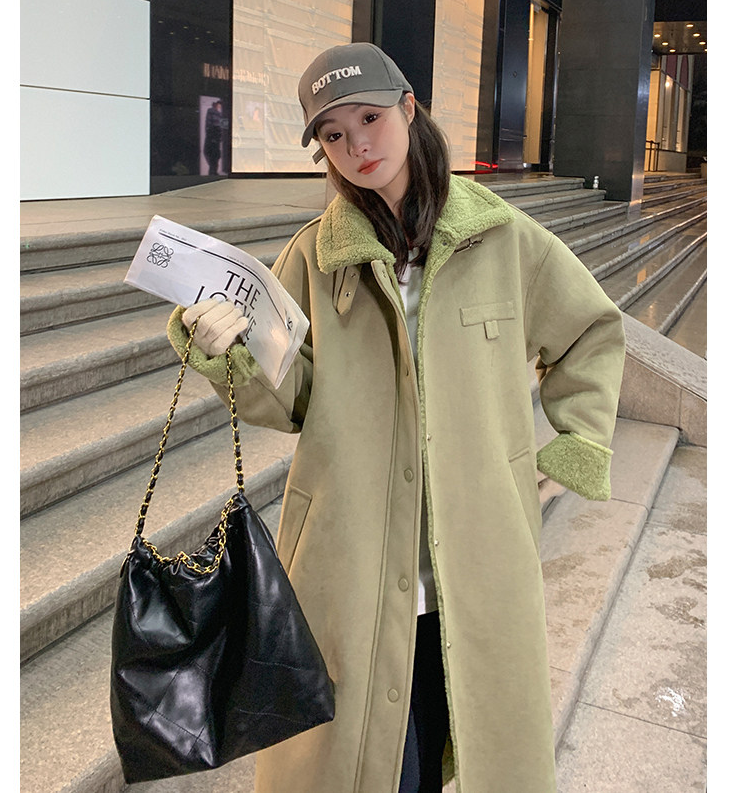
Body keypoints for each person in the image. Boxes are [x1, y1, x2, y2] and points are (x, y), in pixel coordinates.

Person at [167, 42, 626, 793]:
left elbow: (591, 332)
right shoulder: (313, 258)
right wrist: (232, 356)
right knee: (363, 765)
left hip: (475, 558)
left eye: (369, 119)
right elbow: (293, 399)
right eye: (333, 134)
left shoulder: (504, 239)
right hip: (350, 561)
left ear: (409, 109)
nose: (356, 146)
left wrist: (571, 446)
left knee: (469, 744)